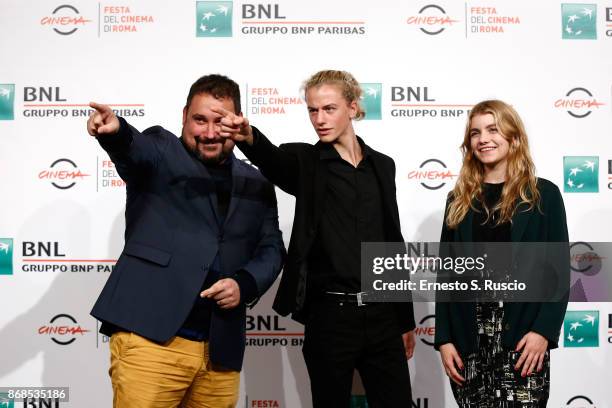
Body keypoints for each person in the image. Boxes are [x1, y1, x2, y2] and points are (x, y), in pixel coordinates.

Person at [215, 69, 416, 407]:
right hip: (331, 317)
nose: (319, 119)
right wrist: (250, 138)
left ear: (352, 108)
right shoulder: (306, 161)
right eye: (312, 110)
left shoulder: (383, 166)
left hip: (382, 316)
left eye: (329, 109)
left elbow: (391, 244)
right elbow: (275, 163)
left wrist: (404, 319)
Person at [87, 74, 285, 407]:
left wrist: (244, 284)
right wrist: (116, 132)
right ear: (183, 117)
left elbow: (272, 249)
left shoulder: (257, 181)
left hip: (220, 350)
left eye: (219, 122)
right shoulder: (161, 151)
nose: (209, 133)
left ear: (236, 124)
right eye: (199, 120)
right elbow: (135, 149)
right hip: (150, 339)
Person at [434, 100, 569, 407]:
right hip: (469, 342)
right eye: (475, 133)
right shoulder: (458, 200)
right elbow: (447, 276)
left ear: (513, 137)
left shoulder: (542, 195)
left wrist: (543, 331)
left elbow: (559, 270)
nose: (483, 139)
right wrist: (444, 338)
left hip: (522, 341)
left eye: (493, 130)